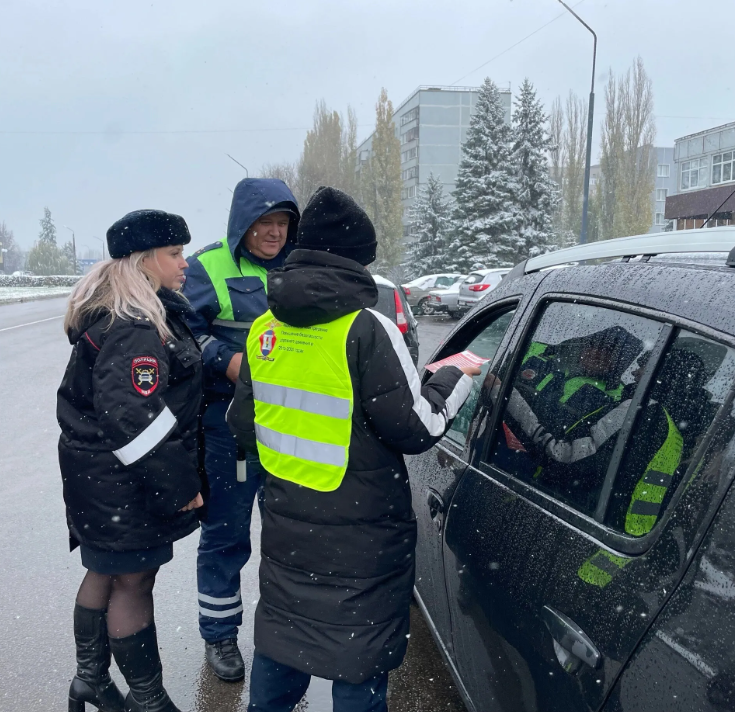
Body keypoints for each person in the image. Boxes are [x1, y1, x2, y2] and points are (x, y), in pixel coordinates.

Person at [226, 186, 480, 712]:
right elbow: (415, 427)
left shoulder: (263, 329)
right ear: (357, 261)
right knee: (358, 661)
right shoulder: (367, 328)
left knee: (282, 642)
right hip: (361, 536)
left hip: (288, 529)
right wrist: (455, 375)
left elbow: (243, 426)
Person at [58, 209, 205, 712]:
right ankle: (148, 702)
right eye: (175, 254)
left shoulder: (120, 312)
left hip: (99, 476)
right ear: (145, 260)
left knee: (104, 572)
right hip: (124, 481)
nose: (184, 263)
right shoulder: (137, 324)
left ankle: (90, 682)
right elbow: (135, 420)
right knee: (133, 583)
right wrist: (182, 485)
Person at [182, 178, 300, 680]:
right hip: (228, 427)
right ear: (242, 224)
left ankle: (287, 633)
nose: (274, 233)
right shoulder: (208, 266)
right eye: (264, 223)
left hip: (292, 425)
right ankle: (221, 636)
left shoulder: (300, 266)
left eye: (282, 223)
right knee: (227, 535)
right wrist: (224, 360)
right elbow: (182, 329)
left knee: (292, 534)